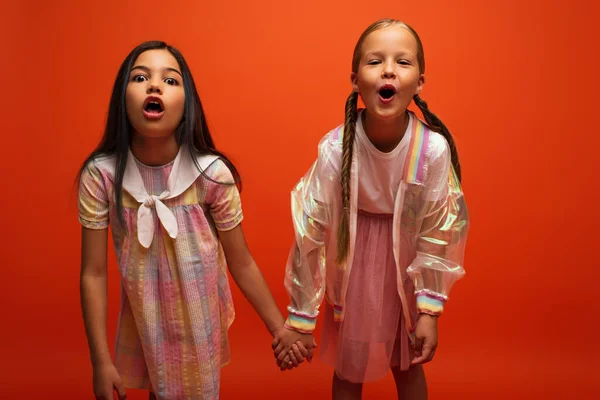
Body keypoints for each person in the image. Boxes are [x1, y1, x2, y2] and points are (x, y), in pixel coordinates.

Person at [77, 40, 311, 400]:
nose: (154, 85)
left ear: (188, 105)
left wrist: (279, 328)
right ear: (121, 99)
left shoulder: (211, 174)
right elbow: (92, 272)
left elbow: (242, 260)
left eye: (170, 80)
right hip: (144, 318)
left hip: (197, 320)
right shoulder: (102, 175)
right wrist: (100, 361)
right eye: (140, 77)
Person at [274, 19, 469, 399]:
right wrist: (302, 315)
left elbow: (439, 230)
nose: (389, 70)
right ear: (355, 79)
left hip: (406, 263)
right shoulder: (335, 150)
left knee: (408, 364)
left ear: (420, 82)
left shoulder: (431, 151)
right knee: (350, 368)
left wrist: (429, 311)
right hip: (354, 262)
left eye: (403, 62)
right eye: (375, 61)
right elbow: (310, 229)